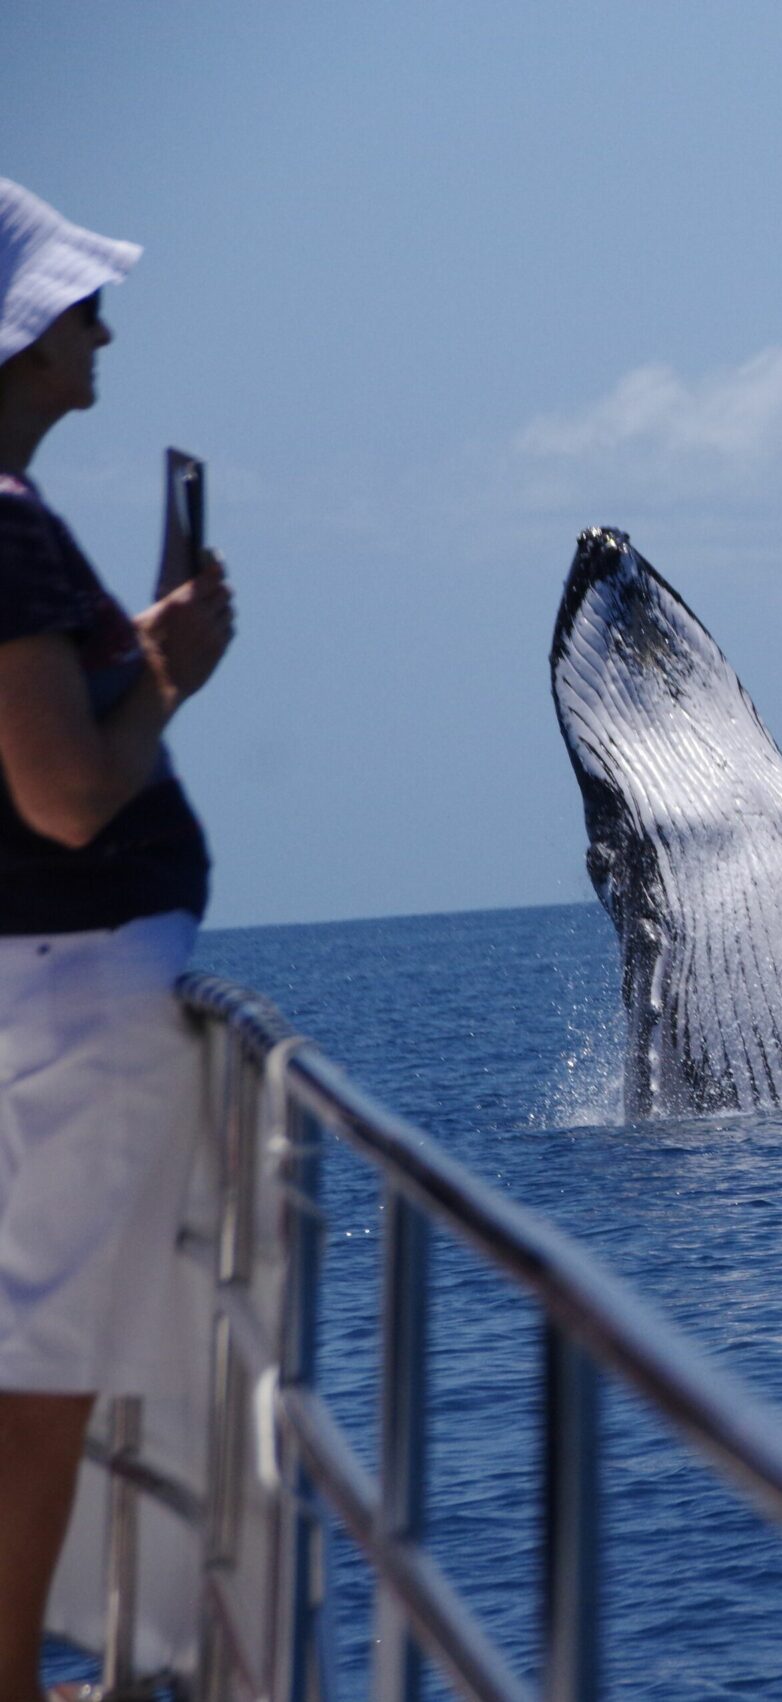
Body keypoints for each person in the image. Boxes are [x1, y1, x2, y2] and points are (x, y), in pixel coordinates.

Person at [0, 180, 235, 1702]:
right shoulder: (2, 529)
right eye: (76, 304)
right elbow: (68, 790)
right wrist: (174, 670)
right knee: (38, 1373)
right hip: (74, 999)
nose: (103, 328)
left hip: (52, 991)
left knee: (35, 1356)